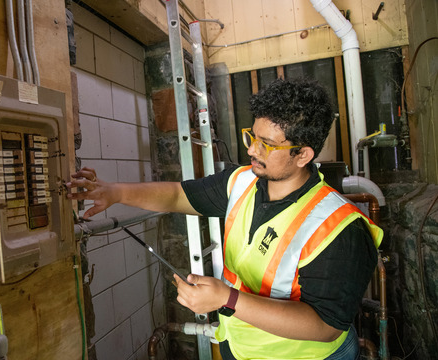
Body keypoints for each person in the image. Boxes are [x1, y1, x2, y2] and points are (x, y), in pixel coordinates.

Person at [66, 78, 383, 360]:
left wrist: (227, 299)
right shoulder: (242, 181)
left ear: (303, 155)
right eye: (252, 136)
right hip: (241, 346)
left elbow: (325, 325)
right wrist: (115, 192)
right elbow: (179, 195)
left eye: (267, 144)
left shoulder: (339, 228)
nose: (253, 150)